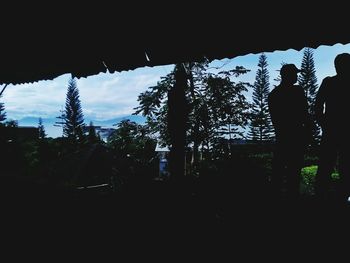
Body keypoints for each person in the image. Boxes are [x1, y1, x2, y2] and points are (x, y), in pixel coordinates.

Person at [268, 64, 311, 200]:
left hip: (282, 138)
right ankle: (291, 201)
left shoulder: (274, 95)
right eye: (294, 74)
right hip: (295, 139)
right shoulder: (297, 91)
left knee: (278, 173)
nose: (296, 76)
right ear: (287, 75)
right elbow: (305, 115)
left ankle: (276, 201)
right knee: (293, 172)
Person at [314, 53, 350, 202]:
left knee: (326, 165)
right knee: (344, 166)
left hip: (331, 131)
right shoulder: (330, 82)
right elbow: (317, 107)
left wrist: (324, 124)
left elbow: (317, 106)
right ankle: (342, 196)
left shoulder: (328, 82)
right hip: (343, 132)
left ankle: (321, 197)